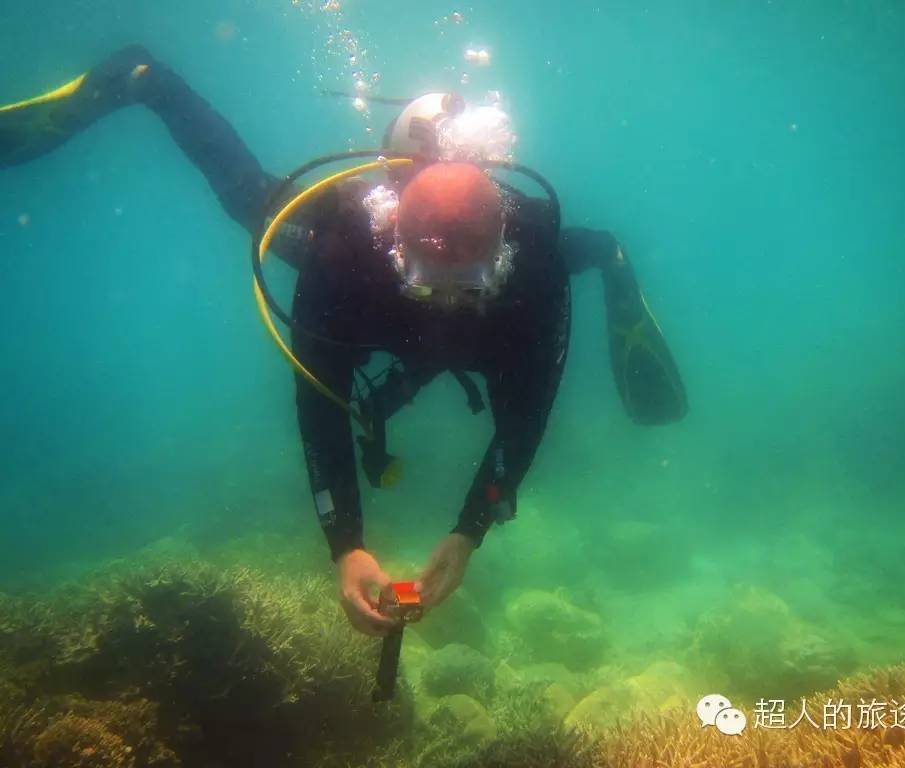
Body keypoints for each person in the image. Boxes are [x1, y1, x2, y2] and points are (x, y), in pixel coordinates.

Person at [1, 46, 687, 636]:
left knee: (587, 250)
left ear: (501, 253)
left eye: (470, 277)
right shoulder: (348, 255)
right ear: (397, 247)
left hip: (479, 289)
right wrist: (345, 545)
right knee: (252, 205)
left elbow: (528, 412)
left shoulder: (533, 270)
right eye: (428, 275)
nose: (447, 298)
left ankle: (614, 260)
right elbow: (317, 406)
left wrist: (469, 529)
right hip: (366, 283)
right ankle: (146, 80)